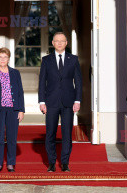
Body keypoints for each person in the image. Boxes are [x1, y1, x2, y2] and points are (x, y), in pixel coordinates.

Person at [38, 32, 82, 172]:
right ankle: (51, 163)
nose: (59, 43)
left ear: (66, 43)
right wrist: (41, 101)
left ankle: (65, 163)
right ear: (52, 43)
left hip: (68, 102)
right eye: (57, 41)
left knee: (67, 134)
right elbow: (41, 82)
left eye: (62, 41)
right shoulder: (46, 60)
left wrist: (77, 100)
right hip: (51, 102)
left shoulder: (73, 59)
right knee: (50, 133)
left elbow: (79, 82)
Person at [0, 47, 25, 172]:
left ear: (8, 58)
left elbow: (20, 93)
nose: (2, 59)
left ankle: (11, 163)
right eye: (0, 57)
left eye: (5, 57)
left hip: (13, 109)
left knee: (12, 137)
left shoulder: (15, 73)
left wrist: (21, 110)